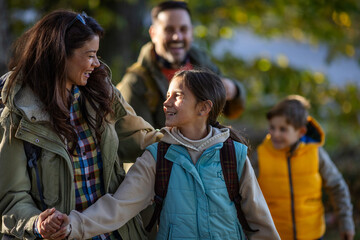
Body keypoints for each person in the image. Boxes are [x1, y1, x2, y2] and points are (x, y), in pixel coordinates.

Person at [46, 69, 280, 240]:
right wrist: (73, 225)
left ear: (203, 108)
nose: (166, 103)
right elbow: (119, 206)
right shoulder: (157, 155)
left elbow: (260, 221)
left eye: (177, 96)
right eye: (167, 95)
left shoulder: (233, 154)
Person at [0, 10, 162, 240]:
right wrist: (37, 223)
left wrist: (190, 135)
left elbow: (140, 139)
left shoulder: (103, 95)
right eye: (90, 55)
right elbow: (11, 198)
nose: (96, 63)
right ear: (59, 55)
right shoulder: (16, 118)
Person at [117, 1, 246, 130]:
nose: (177, 37)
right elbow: (138, 140)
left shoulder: (203, 64)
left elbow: (232, 111)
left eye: (183, 29)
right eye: (169, 30)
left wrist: (234, 90)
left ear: (191, 32)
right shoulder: (135, 83)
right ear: (153, 34)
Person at [252, 95, 355, 240]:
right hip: (274, 235)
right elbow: (246, 193)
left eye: (283, 129)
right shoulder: (261, 155)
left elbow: (337, 186)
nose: (275, 134)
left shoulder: (315, 153)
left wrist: (346, 223)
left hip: (312, 234)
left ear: (301, 132)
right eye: (272, 127)